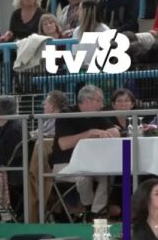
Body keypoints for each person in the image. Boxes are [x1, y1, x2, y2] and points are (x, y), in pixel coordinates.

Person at [51, 85, 119, 218]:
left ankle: (96, 213)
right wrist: (88, 134)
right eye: (99, 100)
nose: (102, 104)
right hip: (65, 164)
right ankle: (87, 207)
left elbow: (115, 130)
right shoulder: (67, 114)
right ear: (87, 101)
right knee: (84, 177)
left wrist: (109, 132)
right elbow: (63, 144)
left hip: (90, 164)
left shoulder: (96, 115)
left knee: (108, 175)